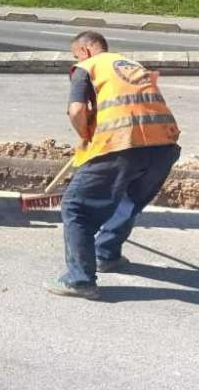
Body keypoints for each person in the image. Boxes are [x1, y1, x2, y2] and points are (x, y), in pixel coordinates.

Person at [46, 31, 181, 299]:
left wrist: (86, 136)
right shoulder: (131, 65)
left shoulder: (87, 67)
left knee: (76, 207)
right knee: (128, 200)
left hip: (123, 144)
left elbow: (76, 111)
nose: (75, 60)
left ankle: (80, 280)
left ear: (84, 50)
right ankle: (106, 254)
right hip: (165, 146)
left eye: (75, 55)